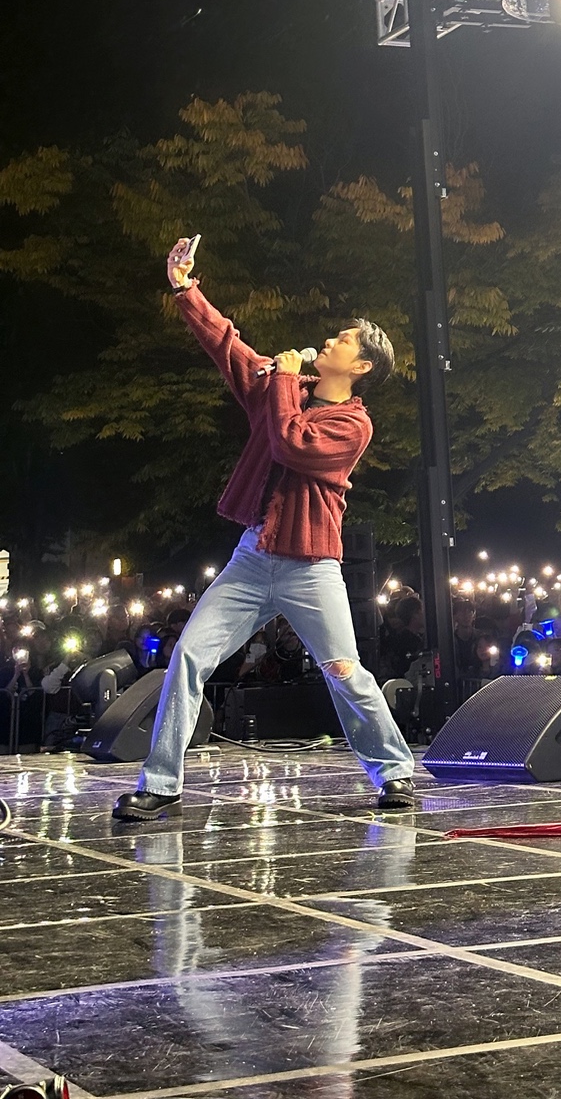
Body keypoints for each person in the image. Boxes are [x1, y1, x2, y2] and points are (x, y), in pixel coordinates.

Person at [111, 237, 416, 821]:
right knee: (188, 658)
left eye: (344, 340)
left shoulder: (354, 425)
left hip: (311, 567)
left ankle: (395, 771)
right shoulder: (284, 386)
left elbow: (292, 442)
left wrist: (282, 379)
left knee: (346, 672)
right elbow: (228, 346)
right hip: (251, 559)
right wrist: (185, 288)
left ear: (362, 367)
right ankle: (162, 782)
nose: (329, 339)